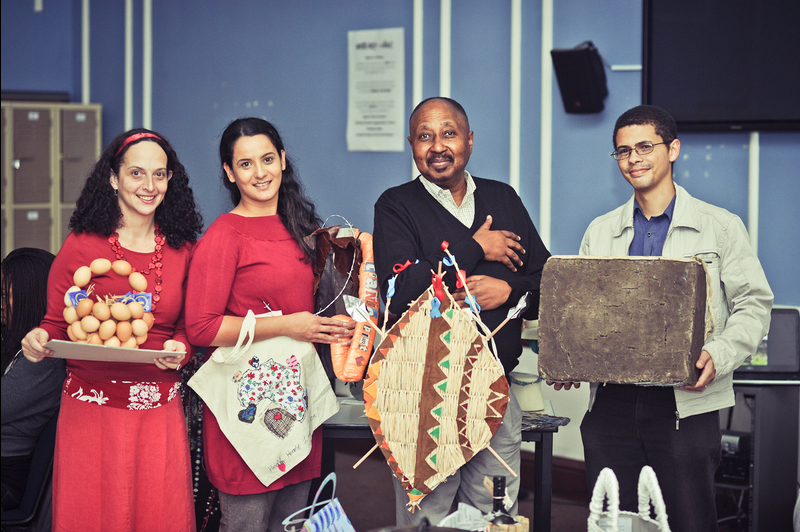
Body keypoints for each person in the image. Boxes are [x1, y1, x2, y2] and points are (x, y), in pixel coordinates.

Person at [553, 105, 773, 532]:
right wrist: (570, 356)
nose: (633, 158)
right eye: (622, 151)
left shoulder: (720, 227)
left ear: (672, 149)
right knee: (612, 521)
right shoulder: (599, 231)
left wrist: (719, 353)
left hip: (685, 404)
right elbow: (582, 314)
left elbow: (754, 304)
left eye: (644, 147)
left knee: (688, 520)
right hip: (611, 405)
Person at [373, 97, 551, 524]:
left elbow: (547, 283)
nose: (438, 146)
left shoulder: (502, 198)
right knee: (425, 521)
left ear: (469, 141)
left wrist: (508, 290)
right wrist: (476, 248)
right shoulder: (396, 205)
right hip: (422, 395)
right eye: (425, 136)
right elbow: (401, 293)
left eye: (449, 133)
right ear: (412, 145)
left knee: (495, 517)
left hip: (495, 395)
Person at [21, 128, 203, 531]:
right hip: (91, 411)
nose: (149, 185)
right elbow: (54, 323)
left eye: (159, 174)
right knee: (91, 516)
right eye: (136, 173)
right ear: (113, 178)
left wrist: (180, 347)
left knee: (158, 517)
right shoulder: (82, 245)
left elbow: (192, 329)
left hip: (156, 408)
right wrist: (37, 340)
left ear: (170, 180)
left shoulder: (183, 250)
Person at [185, 117, 353, 532]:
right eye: (245, 164)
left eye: (267, 159)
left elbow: (309, 313)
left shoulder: (302, 231)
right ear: (229, 172)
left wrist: (339, 324)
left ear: (282, 161)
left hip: (295, 404)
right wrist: (284, 325)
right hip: (246, 412)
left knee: (291, 524)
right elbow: (201, 328)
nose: (259, 173)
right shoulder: (224, 236)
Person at [1, 248, 64, 516]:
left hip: (7, 477)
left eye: (5, 295)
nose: (0, 303)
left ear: (30, 297)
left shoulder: (44, 356)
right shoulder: (12, 339)